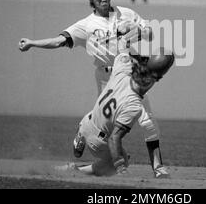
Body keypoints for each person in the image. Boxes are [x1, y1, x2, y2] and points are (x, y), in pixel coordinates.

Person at [18, 0, 169, 177]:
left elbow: (150, 34)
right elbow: (58, 41)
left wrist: (137, 30)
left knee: (147, 120)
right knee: (105, 122)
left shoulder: (126, 13)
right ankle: (84, 133)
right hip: (105, 76)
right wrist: (32, 43)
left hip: (127, 73)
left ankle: (158, 167)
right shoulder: (86, 25)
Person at [67, 48, 174, 177]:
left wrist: (145, 60)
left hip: (86, 122)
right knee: (122, 158)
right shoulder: (133, 105)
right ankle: (78, 171)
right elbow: (114, 138)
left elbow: (123, 55)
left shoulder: (121, 71)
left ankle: (80, 135)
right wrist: (121, 167)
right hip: (97, 141)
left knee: (100, 113)